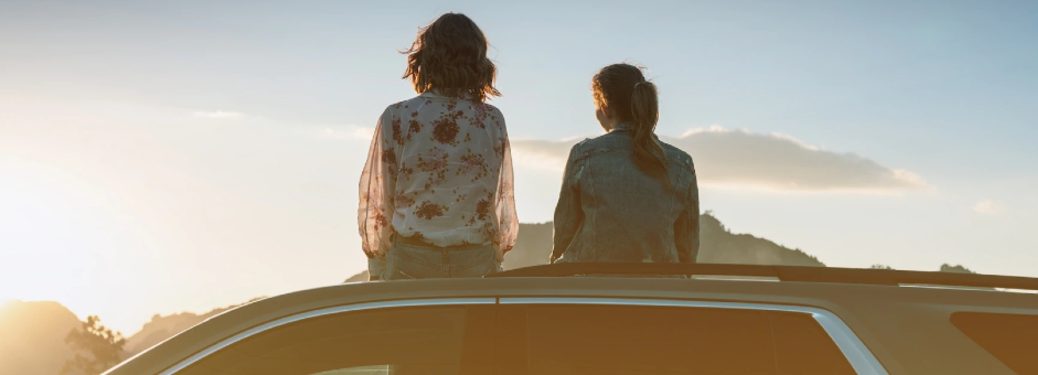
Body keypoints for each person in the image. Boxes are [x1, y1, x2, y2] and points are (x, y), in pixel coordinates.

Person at [359, 13, 517, 280]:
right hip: (474, 255)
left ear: (426, 58)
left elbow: (379, 196)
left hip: (411, 256)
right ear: (477, 59)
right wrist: (498, 251)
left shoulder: (398, 116)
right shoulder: (491, 119)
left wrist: (377, 260)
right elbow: (501, 192)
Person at [551, 63, 699, 264]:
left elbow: (564, 232)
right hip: (660, 280)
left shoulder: (584, 155)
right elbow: (687, 248)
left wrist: (555, 262)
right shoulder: (682, 163)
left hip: (591, 279)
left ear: (605, 108)